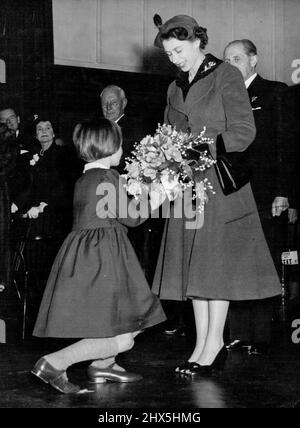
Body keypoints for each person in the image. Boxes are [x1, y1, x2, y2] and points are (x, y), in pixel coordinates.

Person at [152, 14, 281, 375]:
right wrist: (161, 162)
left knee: (215, 270)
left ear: (197, 41)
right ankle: (201, 345)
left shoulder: (226, 74)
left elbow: (244, 130)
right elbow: (169, 133)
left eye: (178, 50)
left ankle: (215, 345)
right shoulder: (175, 87)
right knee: (196, 269)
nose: (174, 58)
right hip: (187, 186)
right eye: (168, 53)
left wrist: (199, 149)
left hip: (219, 185)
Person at [31, 118, 166, 393]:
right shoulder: (107, 178)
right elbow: (133, 218)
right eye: (119, 144)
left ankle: (104, 363)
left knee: (121, 317)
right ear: (109, 148)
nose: (122, 149)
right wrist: (158, 195)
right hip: (106, 255)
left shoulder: (85, 178)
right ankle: (54, 362)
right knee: (129, 331)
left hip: (88, 255)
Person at [223, 39, 294, 354]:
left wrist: (284, 191)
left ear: (254, 59)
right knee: (237, 260)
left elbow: (287, 144)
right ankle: (239, 332)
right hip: (233, 192)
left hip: (265, 191)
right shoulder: (226, 96)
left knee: (263, 259)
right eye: (227, 59)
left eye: (236, 58)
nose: (231, 64)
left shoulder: (275, 92)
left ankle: (262, 335)